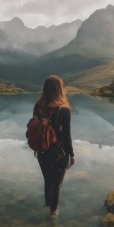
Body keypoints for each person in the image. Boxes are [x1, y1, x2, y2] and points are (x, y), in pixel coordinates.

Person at [33, 75, 75, 217]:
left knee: (47, 180)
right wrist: (73, 155)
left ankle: (47, 204)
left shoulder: (38, 106)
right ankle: (52, 212)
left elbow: (36, 128)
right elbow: (67, 136)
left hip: (42, 151)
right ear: (59, 89)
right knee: (56, 185)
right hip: (59, 153)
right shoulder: (64, 109)